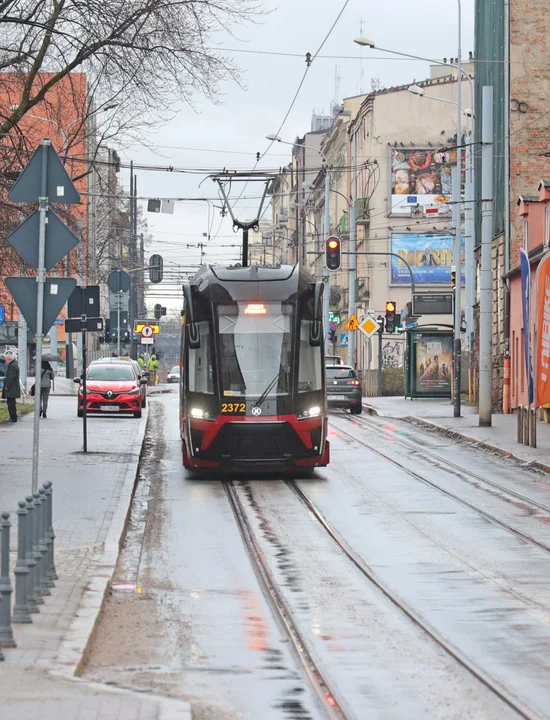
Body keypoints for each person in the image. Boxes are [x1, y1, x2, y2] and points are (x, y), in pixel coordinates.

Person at [2, 351, 20, 422]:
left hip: (11, 389)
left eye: (6, 359)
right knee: (11, 403)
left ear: (9, 359)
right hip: (13, 388)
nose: (5, 361)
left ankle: (13, 417)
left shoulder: (12, 366)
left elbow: (11, 377)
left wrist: (7, 386)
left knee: (11, 404)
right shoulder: (13, 365)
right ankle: (12, 417)